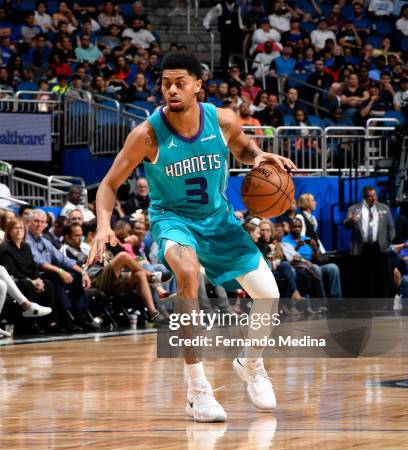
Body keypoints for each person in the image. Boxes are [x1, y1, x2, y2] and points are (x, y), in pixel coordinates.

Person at [87, 51, 296, 423]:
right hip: (173, 219)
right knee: (187, 274)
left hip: (219, 221)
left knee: (269, 295)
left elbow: (244, 148)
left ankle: (250, 364)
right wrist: (103, 225)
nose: (171, 89)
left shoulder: (223, 120)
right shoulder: (148, 135)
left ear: (197, 85)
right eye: (165, 83)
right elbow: (108, 184)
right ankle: (197, 390)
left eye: (179, 82)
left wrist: (262, 155)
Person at [0, 218, 56, 330]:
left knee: (47, 284)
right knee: (26, 284)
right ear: (9, 231)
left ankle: (50, 322)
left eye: (21, 228)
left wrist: (38, 279)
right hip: (17, 280)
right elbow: (11, 271)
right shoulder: (5, 248)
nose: (19, 230)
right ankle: (31, 323)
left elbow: (34, 266)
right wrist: (31, 281)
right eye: (15, 228)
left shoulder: (26, 246)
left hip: (29, 279)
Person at [344, 186, 396, 297]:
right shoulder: (354, 209)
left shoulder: (384, 208)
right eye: (370, 196)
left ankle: (383, 303)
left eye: (374, 195)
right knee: (363, 277)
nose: (373, 198)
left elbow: (391, 228)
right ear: (364, 197)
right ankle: (363, 304)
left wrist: (388, 242)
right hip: (362, 247)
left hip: (379, 247)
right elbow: (346, 225)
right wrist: (350, 221)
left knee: (382, 277)